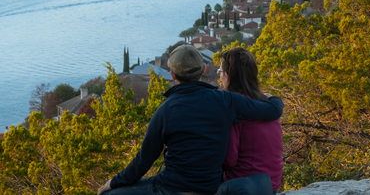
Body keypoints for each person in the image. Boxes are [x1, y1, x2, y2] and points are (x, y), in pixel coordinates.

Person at [98, 45, 284, 195]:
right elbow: (272, 110)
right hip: (213, 187)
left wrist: (114, 182)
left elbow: (143, 161)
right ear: (203, 69)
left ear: (172, 75)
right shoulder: (226, 100)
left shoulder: (165, 110)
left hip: (171, 187)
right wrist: (272, 98)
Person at [219, 48, 284, 195]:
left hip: (244, 185)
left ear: (227, 76)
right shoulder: (266, 103)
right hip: (271, 183)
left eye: (220, 72)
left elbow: (229, 160)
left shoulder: (234, 108)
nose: (220, 78)